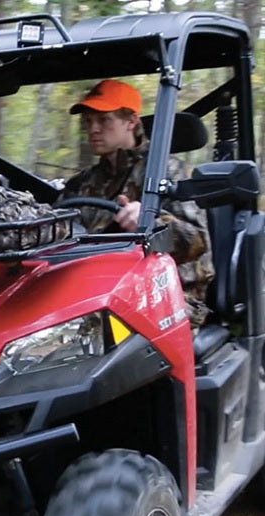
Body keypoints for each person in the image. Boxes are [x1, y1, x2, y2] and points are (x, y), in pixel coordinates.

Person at [61, 79, 214, 330]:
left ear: (131, 121)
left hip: (169, 297)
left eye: (103, 120)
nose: (93, 129)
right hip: (94, 292)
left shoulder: (170, 172)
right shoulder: (82, 184)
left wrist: (152, 221)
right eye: (88, 121)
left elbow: (197, 241)